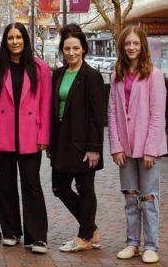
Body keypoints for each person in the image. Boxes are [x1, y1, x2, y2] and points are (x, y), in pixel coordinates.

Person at [0, 22, 51, 253]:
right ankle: (10, 231)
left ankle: (36, 235)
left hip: (31, 133)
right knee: (6, 184)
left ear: (25, 40)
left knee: (32, 184)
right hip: (2, 134)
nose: (15, 42)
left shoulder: (40, 68)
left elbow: (45, 105)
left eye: (19, 37)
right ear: (5, 41)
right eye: (10, 38)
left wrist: (44, 135)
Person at [108, 26, 166, 264]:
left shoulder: (154, 75)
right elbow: (112, 112)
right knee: (131, 197)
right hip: (126, 148)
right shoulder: (116, 75)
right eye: (127, 43)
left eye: (135, 43)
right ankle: (132, 243)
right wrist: (116, 146)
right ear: (122, 46)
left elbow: (157, 115)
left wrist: (151, 149)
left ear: (142, 46)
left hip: (148, 149)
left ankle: (151, 245)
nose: (131, 47)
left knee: (149, 198)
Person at [49, 24, 104, 252]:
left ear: (83, 49)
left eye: (75, 48)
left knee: (85, 188)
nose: (71, 53)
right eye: (67, 48)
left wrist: (94, 147)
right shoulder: (59, 74)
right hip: (61, 140)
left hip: (83, 142)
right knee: (59, 188)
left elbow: (97, 115)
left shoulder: (92, 76)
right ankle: (91, 229)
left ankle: (84, 237)